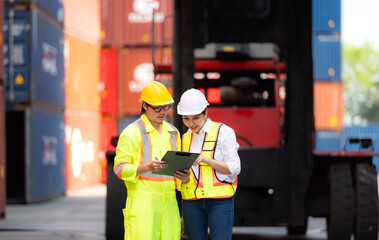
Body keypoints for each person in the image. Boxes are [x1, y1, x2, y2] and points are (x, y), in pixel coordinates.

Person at [113, 81, 189, 240]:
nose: (162, 112)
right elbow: (119, 169)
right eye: (157, 108)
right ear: (145, 105)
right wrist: (146, 167)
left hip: (169, 206)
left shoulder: (173, 133)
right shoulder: (132, 133)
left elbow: (176, 176)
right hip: (143, 207)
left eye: (166, 107)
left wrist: (183, 179)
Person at [176, 88, 241, 240]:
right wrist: (183, 177)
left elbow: (235, 168)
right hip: (192, 205)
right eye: (186, 118)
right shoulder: (184, 139)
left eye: (196, 118)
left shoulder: (223, 132)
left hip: (220, 202)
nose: (191, 123)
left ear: (206, 112)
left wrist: (206, 160)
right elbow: (185, 179)